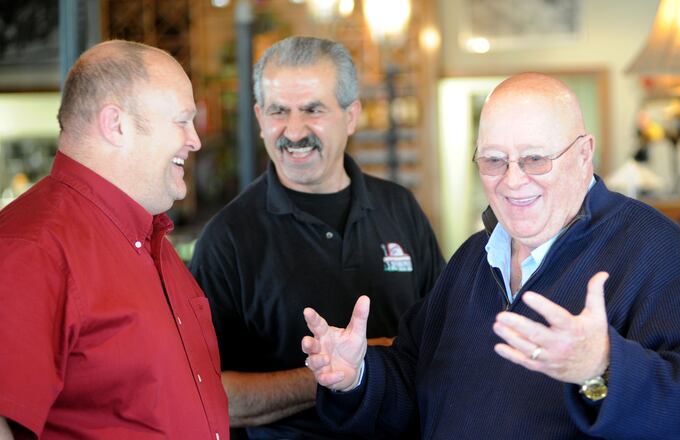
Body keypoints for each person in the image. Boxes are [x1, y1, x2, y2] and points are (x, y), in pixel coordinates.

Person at [301, 73, 680, 439]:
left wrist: (603, 369)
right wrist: (357, 375)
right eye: (494, 161)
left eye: (535, 159)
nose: (513, 181)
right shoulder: (471, 260)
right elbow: (417, 384)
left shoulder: (660, 255)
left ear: (584, 155)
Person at [189, 36, 445, 439]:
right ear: (259, 117)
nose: (293, 131)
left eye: (312, 109)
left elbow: (445, 339)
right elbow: (208, 395)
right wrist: (338, 374)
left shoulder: (401, 209)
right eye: (278, 111)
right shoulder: (227, 239)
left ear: (351, 115)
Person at [0, 40, 229, 439]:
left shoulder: (148, 235)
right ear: (116, 124)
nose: (195, 140)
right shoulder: (34, 248)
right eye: (181, 121)